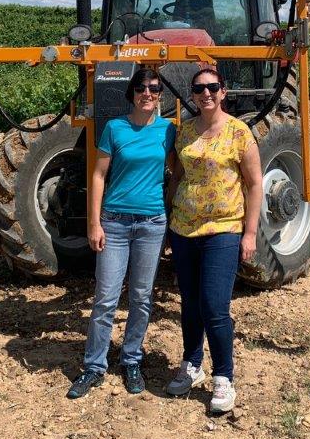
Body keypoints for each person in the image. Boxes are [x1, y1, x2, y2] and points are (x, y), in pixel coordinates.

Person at [67, 68, 176, 399]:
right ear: (132, 93)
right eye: (142, 88)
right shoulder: (115, 128)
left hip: (151, 224)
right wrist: (94, 222)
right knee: (106, 297)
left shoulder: (168, 130)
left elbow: (177, 173)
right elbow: (98, 175)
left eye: (154, 88)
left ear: (160, 94)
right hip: (114, 223)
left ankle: (131, 360)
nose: (147, 93)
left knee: (142, 297)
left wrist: (167, 211)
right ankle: (94, 366)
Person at [165, 68, 263, 413]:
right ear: (191, 95)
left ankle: (224, 377)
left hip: (223, 228)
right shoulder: (185, 132)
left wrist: (249, 232)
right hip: (184, 228)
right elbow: (177, 176)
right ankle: (192, 365)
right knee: (189, 302)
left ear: (223, 91)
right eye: (198, 89)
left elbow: (254, 184)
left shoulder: (239, 132)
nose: (206, 93)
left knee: (214, 306)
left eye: (212, 87)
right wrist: (167, 221)